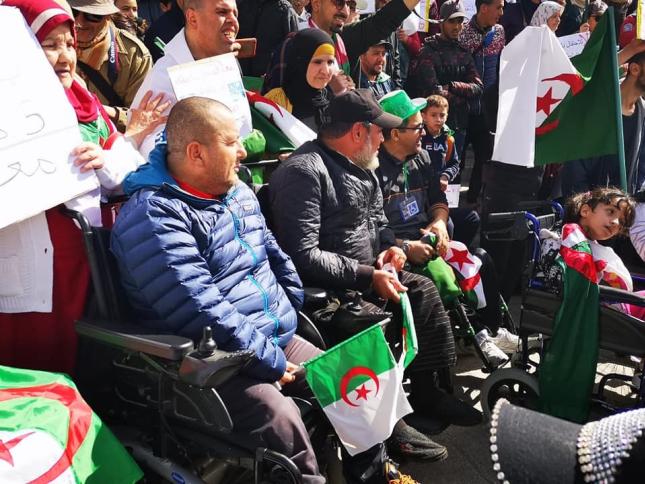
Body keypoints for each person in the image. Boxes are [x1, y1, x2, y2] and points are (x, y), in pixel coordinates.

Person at [111, 96, 419, 484]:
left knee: (354, 379)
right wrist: (267, 358)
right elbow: (198, 307)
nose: (243, 151)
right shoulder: (155, 215)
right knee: (282, 422)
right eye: (231, 142)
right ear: (196, 153)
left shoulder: (236, 193)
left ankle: (375, 476)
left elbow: (276, 258)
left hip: (268, 339)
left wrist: (288, 313)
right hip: (209, 362)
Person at [270, 89, 482, 446]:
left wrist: (390, 249)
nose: (383, 139)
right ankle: (385, 426)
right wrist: (369, 274)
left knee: (423, 291)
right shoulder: (304, 173)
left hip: (367, 272)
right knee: (372, 321)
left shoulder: (361, 166)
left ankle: (429, 392)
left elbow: (379, 223)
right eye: (379, 131)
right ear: (358, 132)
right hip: (327, 288)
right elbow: (302, 255)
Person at [0, 0, 164, 375]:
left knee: (86, 365)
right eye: (49, 45)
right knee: (33, 369)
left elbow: (131, 168)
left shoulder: (83, 100)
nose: (65, 57)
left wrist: (104, 161)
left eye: (70, 44)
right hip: (31, 269)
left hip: (90, 263)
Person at [375, 90, 515, 366]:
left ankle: (492, 329)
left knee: (480, 257)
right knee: (444, 273)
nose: (424, 132)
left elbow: (438, 200)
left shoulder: (423, 158)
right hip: (397, 249)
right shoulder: (374, 169)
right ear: (395, 134)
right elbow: (373, 225)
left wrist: (439, 221)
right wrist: (406, 246)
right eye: (417, 127)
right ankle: (478, 334)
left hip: (426, 237)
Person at [131, 0, 242, 159]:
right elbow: (151, 154)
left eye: (235, 14)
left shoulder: (228, 64)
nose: (233, 21)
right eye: (222, 12)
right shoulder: (164, 78)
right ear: (192, 18)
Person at [407, 0, 483, 163]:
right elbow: (434, 92)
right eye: (452, 21)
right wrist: (463, 99)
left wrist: (453, 86)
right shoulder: (428, 51)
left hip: (459, 126)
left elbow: (478, 87)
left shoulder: (464, 52)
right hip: (431, 129)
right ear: (441, 22)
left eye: (460, 21)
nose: (457, 27)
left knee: (454, 171)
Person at [561, 51, 645, 198]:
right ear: (635, 69)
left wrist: (628, 200)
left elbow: (640, 167)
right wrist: (587, 204)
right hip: (587, 205)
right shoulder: (598, 104)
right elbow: (575, 166)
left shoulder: (642, 113)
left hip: (620, 206)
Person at [69, 0, 152, 132]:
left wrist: (97, 109)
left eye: (92, 15)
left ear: (108, 16)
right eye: (73, 12)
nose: (79, 22)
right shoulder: (49, 46)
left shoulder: (134, 55)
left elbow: (142, 118)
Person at [306, 0, 421, 92]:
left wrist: (350, 92)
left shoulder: (344, 37)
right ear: (316, 4)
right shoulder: (299, 41)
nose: (345, 11)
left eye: (350, 4)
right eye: (339, 3)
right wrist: (330, 87)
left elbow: (381, 23)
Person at [458, 0, 505, 206]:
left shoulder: (500, 32)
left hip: (488, 108)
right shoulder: (463, 32)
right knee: (458, 160)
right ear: (484, 8)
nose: (501, 12)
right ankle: (451, 204)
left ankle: (473, 201)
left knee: (484, 159)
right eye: (498, 7)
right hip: (465, 108)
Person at [420, 95, 481, 247]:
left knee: (468, 219)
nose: (438, 119)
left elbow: (454, 164)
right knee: (448, 225)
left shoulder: (448, 139)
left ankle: (456, 251)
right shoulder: (418, 137)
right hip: (420, 192)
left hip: (440, 193)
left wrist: (446, 176)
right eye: (433, 115)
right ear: (424, 116)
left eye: (442, 115)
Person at [263, 28, 336, 130]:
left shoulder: (332, 102)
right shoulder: (277, 104)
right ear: (300, 63)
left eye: (330, 62)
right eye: (317, 62)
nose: (325, 71)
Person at [237, 0, 298, 77]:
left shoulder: (284, 9)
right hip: (238, 75)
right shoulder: (241, 5)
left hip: (269, 78)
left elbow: (294, 49)